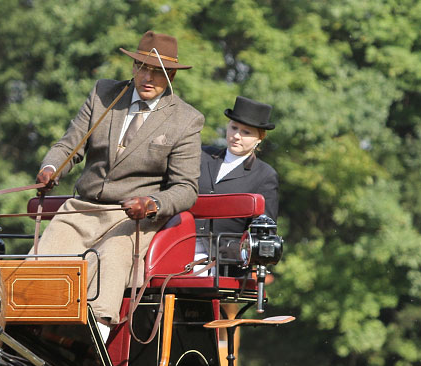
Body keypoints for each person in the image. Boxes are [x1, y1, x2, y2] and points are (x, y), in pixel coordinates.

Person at [33, 31, 204, 341]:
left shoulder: (186, 120)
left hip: (132, 220)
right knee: (40, 272)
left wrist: (151, 204)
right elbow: (69, 146)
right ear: (133, 67)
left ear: (172, 75)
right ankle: (26, 340)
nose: (148, 77)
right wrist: (50, 169)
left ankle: (95, 341)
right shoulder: (103, 94)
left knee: (110, 258)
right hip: (80, 210)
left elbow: (186, 188)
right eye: (142, 67)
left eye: (158, 71)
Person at [195, 96, 278, 273]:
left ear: (260, 138)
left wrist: (236, 250)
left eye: (246, 132)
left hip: (223, 262)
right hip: (178, 244)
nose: (236, 136)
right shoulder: (202, 155)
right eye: (234, 128)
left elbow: (265, 232)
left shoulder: (264, 175)